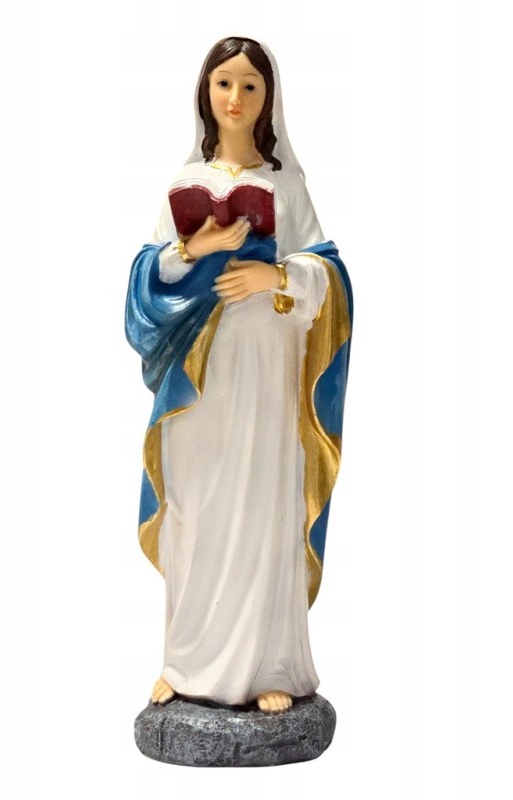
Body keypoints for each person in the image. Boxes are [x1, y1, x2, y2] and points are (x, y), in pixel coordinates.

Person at [125, 36, 353, 715]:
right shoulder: (183, 183)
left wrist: (274, 276)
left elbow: (331, 277)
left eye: (250, 85)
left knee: (260, 502)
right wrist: (191, 248)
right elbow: (147, 278)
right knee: (195, 506)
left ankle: (268, 663)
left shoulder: (287, 186)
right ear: (205, 91)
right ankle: (184, 660)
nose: (235, 97)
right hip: (199, 369)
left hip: (264, 364)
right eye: (224, 82)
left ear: (268, 99)